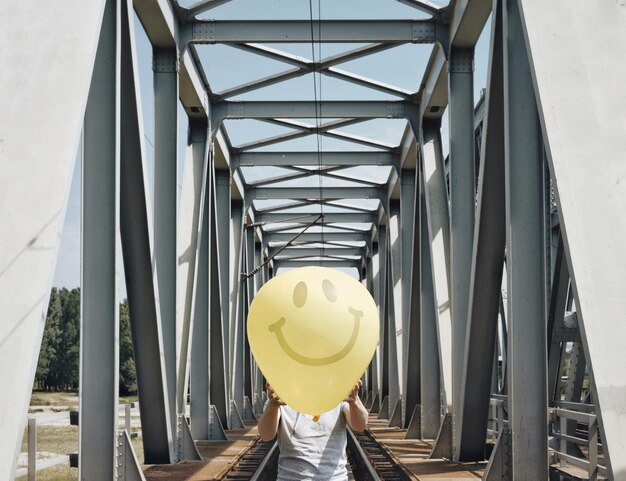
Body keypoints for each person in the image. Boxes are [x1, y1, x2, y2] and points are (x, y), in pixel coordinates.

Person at [257, 380, 368, 481]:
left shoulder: (337, 395)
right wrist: (273, 406)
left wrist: (354, 402)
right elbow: (266, 435)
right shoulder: (280, 397)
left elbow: (360, 426)